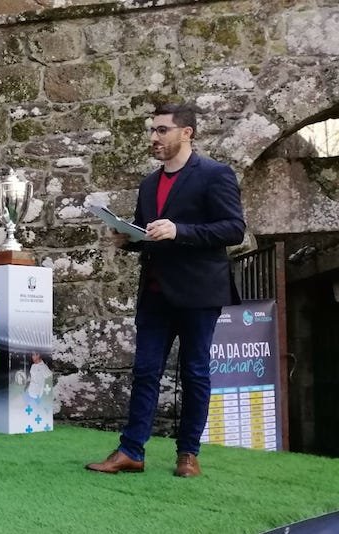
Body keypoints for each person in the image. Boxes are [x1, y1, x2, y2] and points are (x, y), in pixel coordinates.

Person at [86, 102, 245, 478]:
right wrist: (128, 239)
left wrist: (181, 230)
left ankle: (188, 454)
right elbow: (149, 233)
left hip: (199, 293)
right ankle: (131, 451)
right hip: (155, 292)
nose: (153, 137)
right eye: (151, 131)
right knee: (144, 371)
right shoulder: (148, 184)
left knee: (194, 372)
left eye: (161, 130)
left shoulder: (215, 174)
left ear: (186, 132)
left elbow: (233, 229)